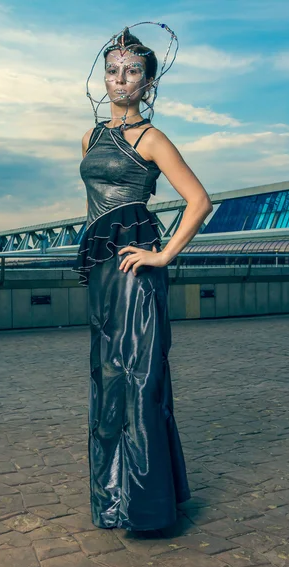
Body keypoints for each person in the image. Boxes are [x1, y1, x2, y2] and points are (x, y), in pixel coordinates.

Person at [72, 25, 213, 532]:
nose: (120, 79)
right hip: (104, 277)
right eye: (113, 70)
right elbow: (96, 207)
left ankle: (147, 509)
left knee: (139, 381)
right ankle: (112, 502)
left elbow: (199, 202)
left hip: (137, 274)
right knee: (107, 383)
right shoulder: (89, 137)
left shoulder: (152, 138)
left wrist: (162, 256)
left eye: (132, 71)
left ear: (147, 84)